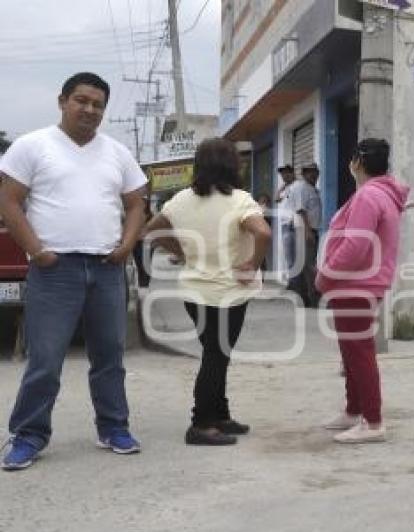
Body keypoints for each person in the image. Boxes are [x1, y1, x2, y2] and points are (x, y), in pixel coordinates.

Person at [0, 72, 148, 470]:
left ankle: (114, 427)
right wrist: (36, 251)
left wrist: (127, 244)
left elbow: (137, 202)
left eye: (98, 104)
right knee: (45, 358)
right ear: (62, 101)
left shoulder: (117, 152)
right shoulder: (33, 146)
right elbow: (10, 202)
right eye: (81, 100)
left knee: (109, 355)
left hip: (106, 268)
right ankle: (28, 435)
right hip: (54, 269)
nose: (90, 109)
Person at [143, 138, 271, 446]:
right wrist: (252, 263)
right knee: (216, 356)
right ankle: (200, 423)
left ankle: (220, 415)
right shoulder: (240, 199)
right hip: (230, 293)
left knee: (216, 354)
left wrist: (184, 252)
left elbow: (151, 231)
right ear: (231, 165)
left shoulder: (180, 200)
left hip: (193, 293)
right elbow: (263, 231)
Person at [316, 139, 409, 444]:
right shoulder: (379, 194)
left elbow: (355, 245)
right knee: (351, 351)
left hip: (356, 284)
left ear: (357, 161)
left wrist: (325, 275)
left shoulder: (369, 195)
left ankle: (372, 421)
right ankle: (354, 410)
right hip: (359, 283)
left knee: (359, 354)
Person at [286, 163, 322, 307]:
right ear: (304, 173)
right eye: (310, 172)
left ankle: (304, 299)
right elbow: (301, 210)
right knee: (309, 266)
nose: (314, 175)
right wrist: (308, 231)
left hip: (309, 230)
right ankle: (313, 299)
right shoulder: (301, 187)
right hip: (304, 231)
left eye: (315, 172)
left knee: (305, 265)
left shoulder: (311, 189)